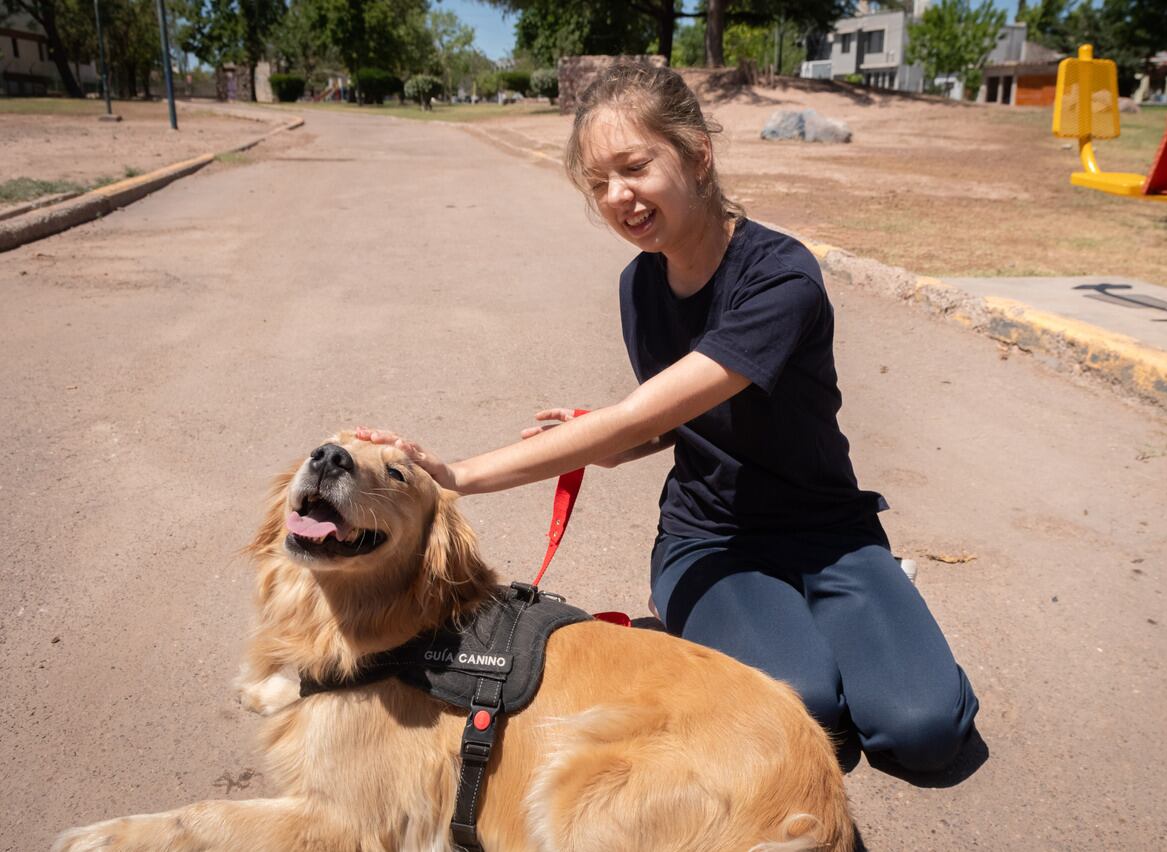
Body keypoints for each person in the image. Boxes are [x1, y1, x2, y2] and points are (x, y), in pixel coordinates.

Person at [358, 62, 978, 773]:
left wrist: (457, 475)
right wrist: (625, 442)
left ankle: (865, 603)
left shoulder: (780, 276)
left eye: (635, 166)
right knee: (805, 713)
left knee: (924, 732)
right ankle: (726, 607)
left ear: (697, 154)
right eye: (599, 183)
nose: (620, 196)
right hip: (711, 538)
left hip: (829, 533)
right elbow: (673, 412)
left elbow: (642, 410)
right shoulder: (640, 284)